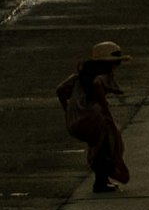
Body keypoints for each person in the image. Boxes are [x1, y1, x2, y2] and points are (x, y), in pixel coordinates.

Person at [56, 42, 131, 192]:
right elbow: (98, 84)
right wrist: (105, 108)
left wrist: (69, 110)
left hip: (76, 121)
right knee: (107, 145)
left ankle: (102, 181)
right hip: (94, 116)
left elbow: (60, 89)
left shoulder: (80, 76)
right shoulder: (103, 74)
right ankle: (101, 181)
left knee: (98, 145)